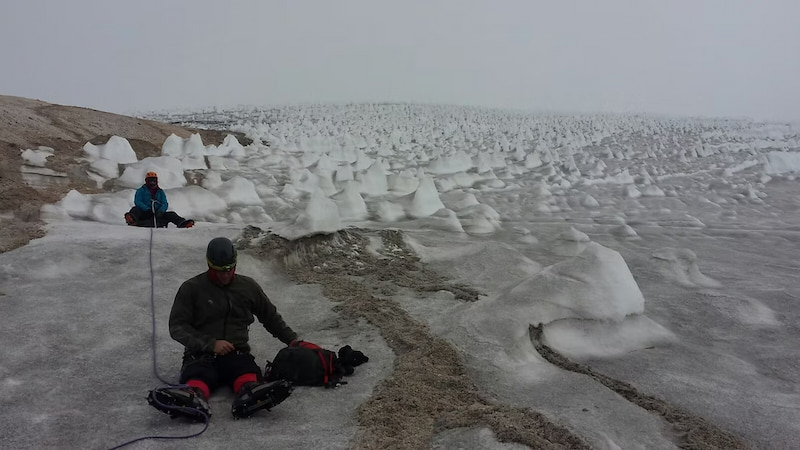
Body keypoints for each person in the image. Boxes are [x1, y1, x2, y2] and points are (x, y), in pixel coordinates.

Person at [147, 237, 296, 419]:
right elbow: (177, 326)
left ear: (235, 264)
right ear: (209, 264)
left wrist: (293, 340)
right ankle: (193, 396)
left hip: (237, 352)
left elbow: (270, 317)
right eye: (218, 271)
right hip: (201, 355)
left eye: (228, 269)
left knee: (246, 371)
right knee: (199, 373)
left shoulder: (248, 287)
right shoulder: (191, 289)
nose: (224, 275)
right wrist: (210, 344)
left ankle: (251, 392)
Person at [124, 171, 194, 228]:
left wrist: (161, 211)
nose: (152, 182)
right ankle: (132, 220)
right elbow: (138, 201)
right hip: (145, 213)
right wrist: (147, 209)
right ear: (146, 181)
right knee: (135, 209)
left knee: (171, 214)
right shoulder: (141, 190)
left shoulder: (160, 192)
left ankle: (182, 223)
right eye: (150, 180)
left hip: (158, 214)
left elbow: (165, 203)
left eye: (154, 180)